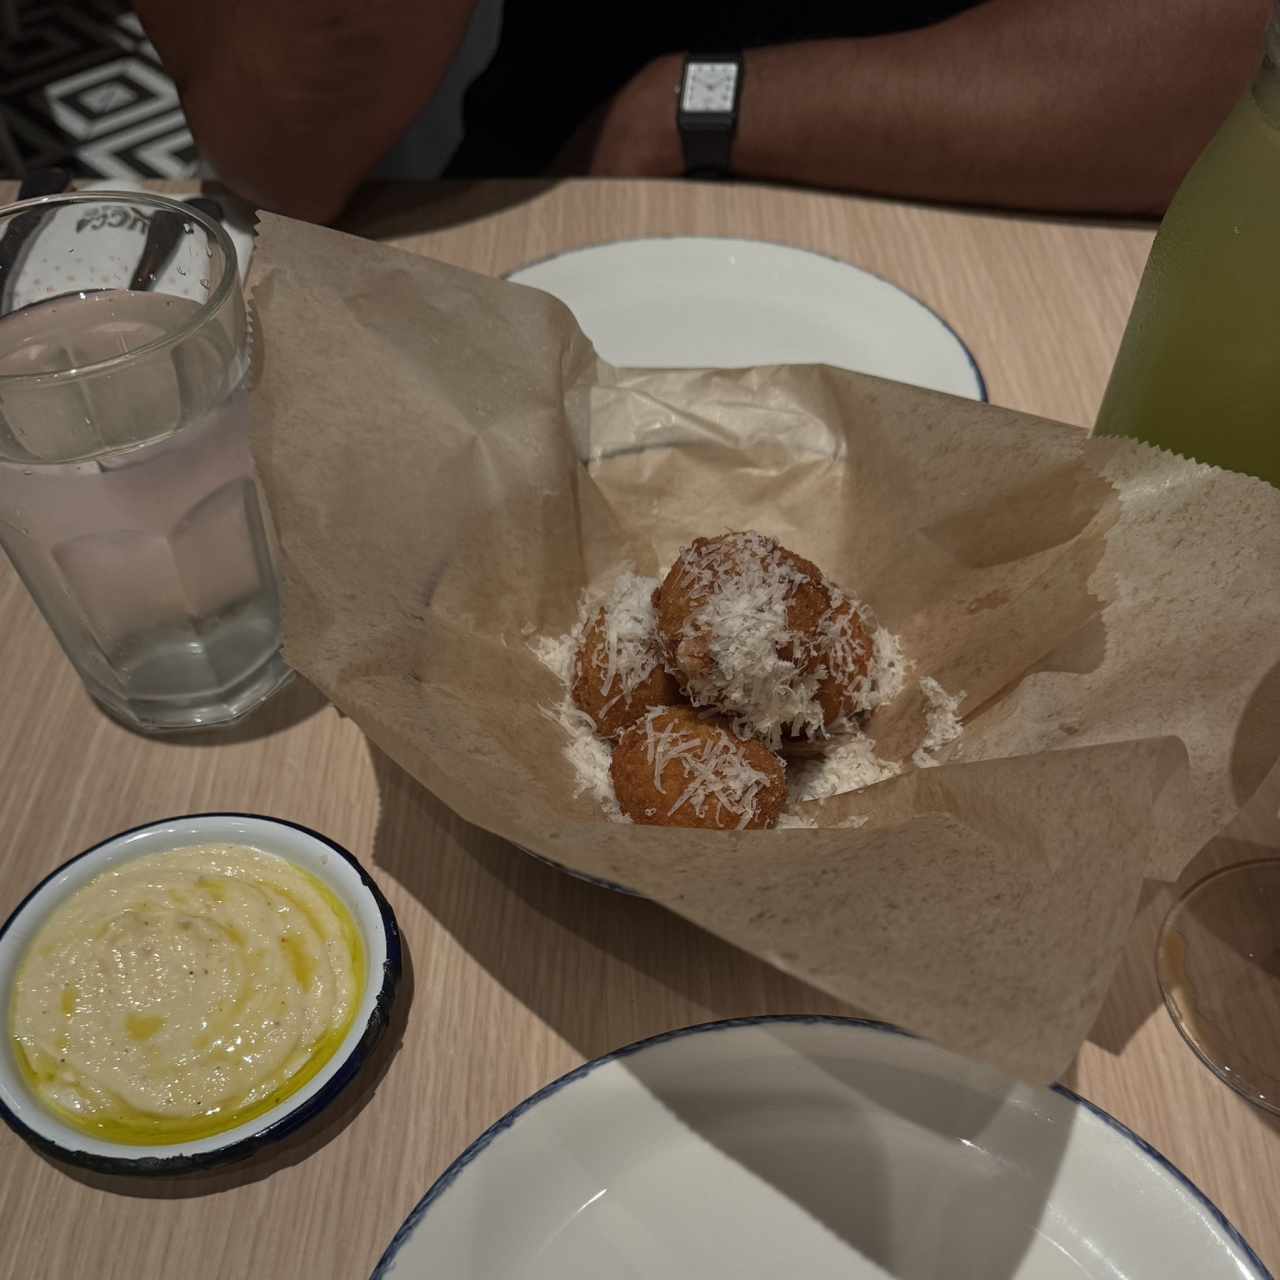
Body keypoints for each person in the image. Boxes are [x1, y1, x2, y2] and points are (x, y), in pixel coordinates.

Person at [134, 0, 1267, 225]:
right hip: (525, 196)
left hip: (1024, 201)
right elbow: (279, 162)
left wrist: (693, 105)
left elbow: (1232, 61)